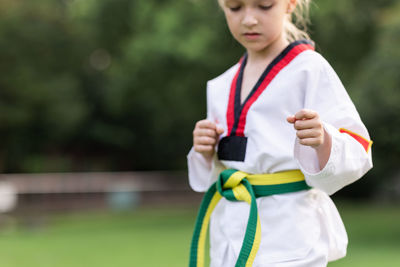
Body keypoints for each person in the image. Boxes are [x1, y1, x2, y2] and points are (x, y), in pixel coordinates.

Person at [187, 0, 373, 266]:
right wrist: (204, 151)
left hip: (290, 232)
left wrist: (323, 140)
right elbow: (218, 172)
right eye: (235, 8)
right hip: (229, 229)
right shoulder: (221, 84)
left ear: (289, 5)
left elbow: (359, 147)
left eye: (263, 6)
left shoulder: (310, 69)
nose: (248, 19)